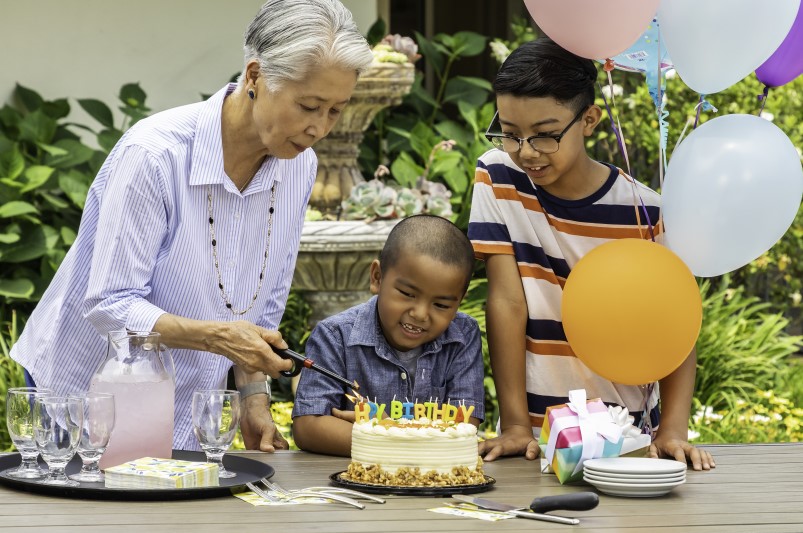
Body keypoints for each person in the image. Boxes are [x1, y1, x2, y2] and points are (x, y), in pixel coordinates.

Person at [10, 0, 374, 453]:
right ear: (256, 77)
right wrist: (220, 338)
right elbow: (110, 304)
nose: (319, 127)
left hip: (185, 405)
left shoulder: (298, 166)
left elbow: (262, 306)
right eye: (309, 105)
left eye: (335, 110)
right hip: (86, 392)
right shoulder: (155, 155)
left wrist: (253, 397)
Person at [467, 37, 715, 471]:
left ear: (589, 120)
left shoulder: (647, 212)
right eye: (510, 134)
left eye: (544, 136)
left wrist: (673, 430)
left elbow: (676, 322)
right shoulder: (497, 175)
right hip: (534, 436)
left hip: (625, 437)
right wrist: (514, 424)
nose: (526, 152)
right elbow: (507, 300)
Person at [292, 214, 485, 456]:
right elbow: (308, 427)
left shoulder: (462, 336)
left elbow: (463, 426)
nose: (420, 314)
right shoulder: (335, 336)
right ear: (377, 277)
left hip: (434, 486)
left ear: (459, 302)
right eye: (407, 293)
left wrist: (386, 431)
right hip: (355, 483)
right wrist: (394, 437)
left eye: (442, 305)